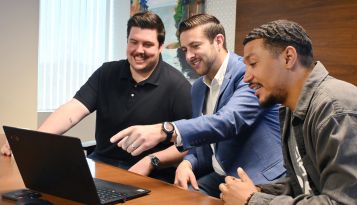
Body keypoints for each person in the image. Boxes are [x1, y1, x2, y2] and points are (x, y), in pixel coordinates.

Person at [1, 11, 192, 183]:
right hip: (101, 168)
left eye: (148, 44)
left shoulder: (178, 86)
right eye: (134, 42)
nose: (139, 50)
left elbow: (190, 143)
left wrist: (151, 161)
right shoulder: (107, 72)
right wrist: (32, 141)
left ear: (160, 47)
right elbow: (73, 110)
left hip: (149, 176)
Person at [110, 14, 286, 198]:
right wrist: (188, 163)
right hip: (223, 176)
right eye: (184, 49)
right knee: (167, 199)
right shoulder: (198, 88)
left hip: (260, 179)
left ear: (218, 41)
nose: (189, 56)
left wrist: (166, 130)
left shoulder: (247, 73)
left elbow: (228, 121)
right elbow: (202, 146)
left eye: (195, 46)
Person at [219, 19, 357, 205]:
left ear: (288, 57)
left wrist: (253, 200)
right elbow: (305, 184)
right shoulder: (290, 109)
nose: (246, 78)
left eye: (253, 63)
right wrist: (258, 191)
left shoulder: (336, 110)